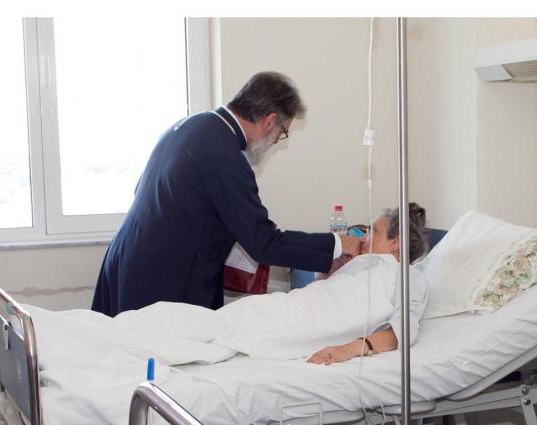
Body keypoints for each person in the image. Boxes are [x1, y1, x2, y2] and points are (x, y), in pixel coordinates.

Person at [91, 72, 362, 317]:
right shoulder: (225, 155)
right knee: (155, 356)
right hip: (159, 279)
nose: (277, 141)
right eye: (282, 133)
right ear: (269, 121)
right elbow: (263, 244)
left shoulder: (193, 125)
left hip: (126, 261)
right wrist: (337, 244)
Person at [307, 202, 430, 365]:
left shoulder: (407, 274)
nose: (363, 239)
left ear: (395, 243)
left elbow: (403, 329)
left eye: (373, 231)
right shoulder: (356, 264)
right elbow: (313, 297)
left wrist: (348, 349)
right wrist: (330, 270)